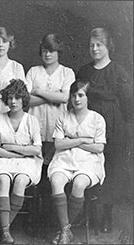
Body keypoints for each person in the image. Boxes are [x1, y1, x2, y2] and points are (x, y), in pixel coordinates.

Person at [76, 27, 133, 233]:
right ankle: (86, 212)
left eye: (99, 44)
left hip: (113, 128)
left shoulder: (119, 72)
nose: (95, 49)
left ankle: (107, 216)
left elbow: (128, 106)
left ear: (108, 46)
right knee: (86, 166)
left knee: (111, 171)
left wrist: (123, 131)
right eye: (91, 45)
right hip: (87, 127)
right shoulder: (84, 71)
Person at [0, 79, 42, 244]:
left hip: (28, 162)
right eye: (10, 98)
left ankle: (2, 228)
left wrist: (10, 146)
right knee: (3, 180)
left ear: (24, 99)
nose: (13, 101)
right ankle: (6, 231)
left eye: (17, 98)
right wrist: (18, 153)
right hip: (3, 160)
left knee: (20, 180)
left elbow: (36, 149)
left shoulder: (31, 120)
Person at [48, 80, 106, 244]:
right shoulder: (63, 117)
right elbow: (59, 144)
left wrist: (72, 140)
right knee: (57, 181)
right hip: (64, 157)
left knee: (79, 184)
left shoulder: (97, 119)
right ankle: (66, 230)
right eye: (73, 95)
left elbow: (99, 147)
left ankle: (64, 230)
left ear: (88, 97)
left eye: (81, 95)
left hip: (89, 160)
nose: (77, 99)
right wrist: (82, 140)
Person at [26, 33, 75, 227]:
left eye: (52, 50)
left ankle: (49, 215)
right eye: (45, 50)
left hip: (57, 127)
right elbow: (26, 99)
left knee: (53, 169)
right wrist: (52, 96)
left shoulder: (67, 73)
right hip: (36, 126)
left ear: (58, 52)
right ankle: (34, 214)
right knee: (35, 166)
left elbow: (65, 98)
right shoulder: (33, 71)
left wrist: (38, 92)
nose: (47, 54)